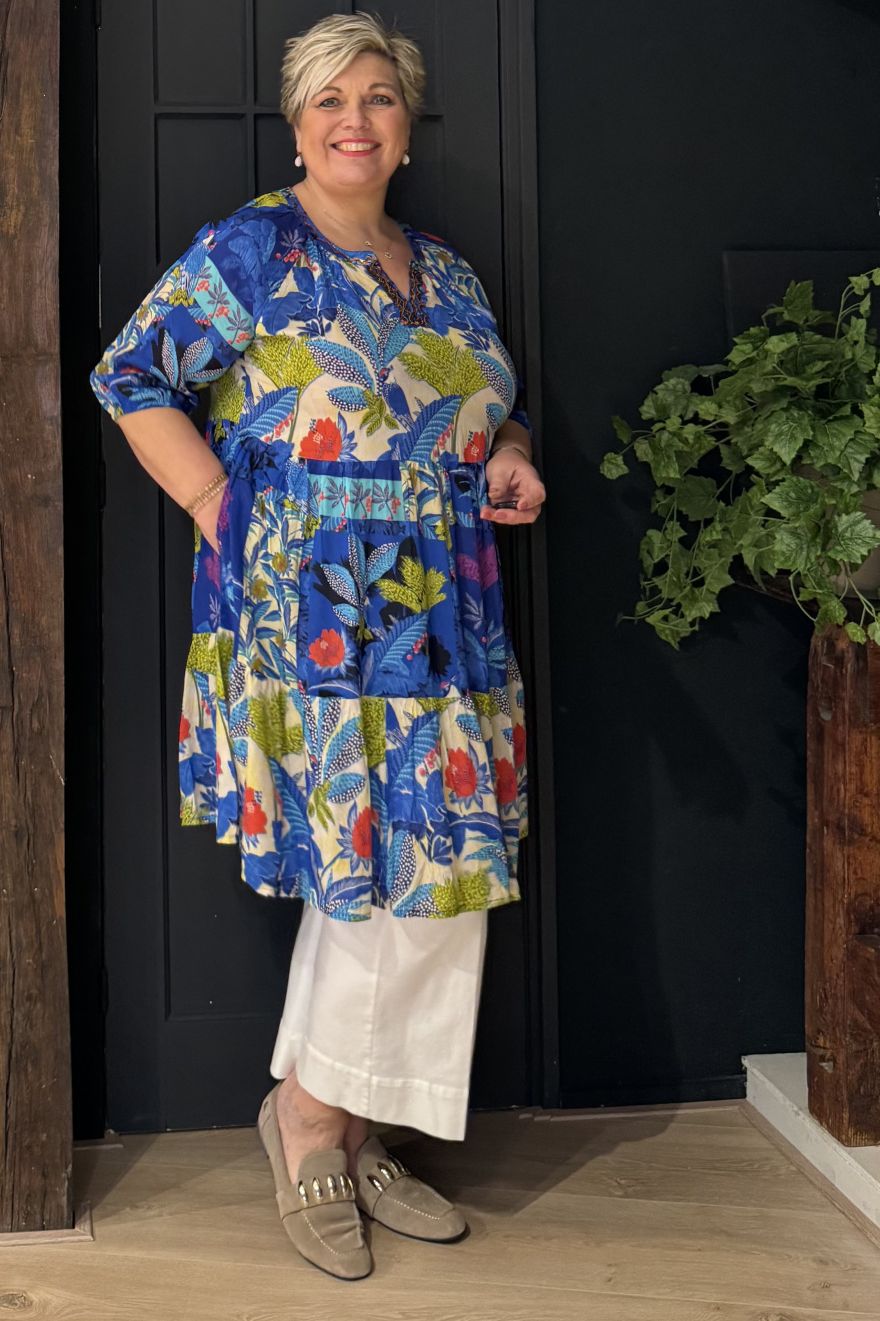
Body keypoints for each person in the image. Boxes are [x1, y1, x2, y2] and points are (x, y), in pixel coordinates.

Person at [89, 9, 545, 1281]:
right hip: (315, 611)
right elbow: (131, 376)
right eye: (331, 99)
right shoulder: (253, 249)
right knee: (369, 869)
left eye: (378, 97)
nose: (356, 119)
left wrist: (508, 456)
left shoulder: (445, 270)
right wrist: (210, 502)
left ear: (406, 127)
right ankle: (312, 1126)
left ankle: (340, 1120)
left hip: (449, 615)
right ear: (297, 126)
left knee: (441, 873)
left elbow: (491, 406)